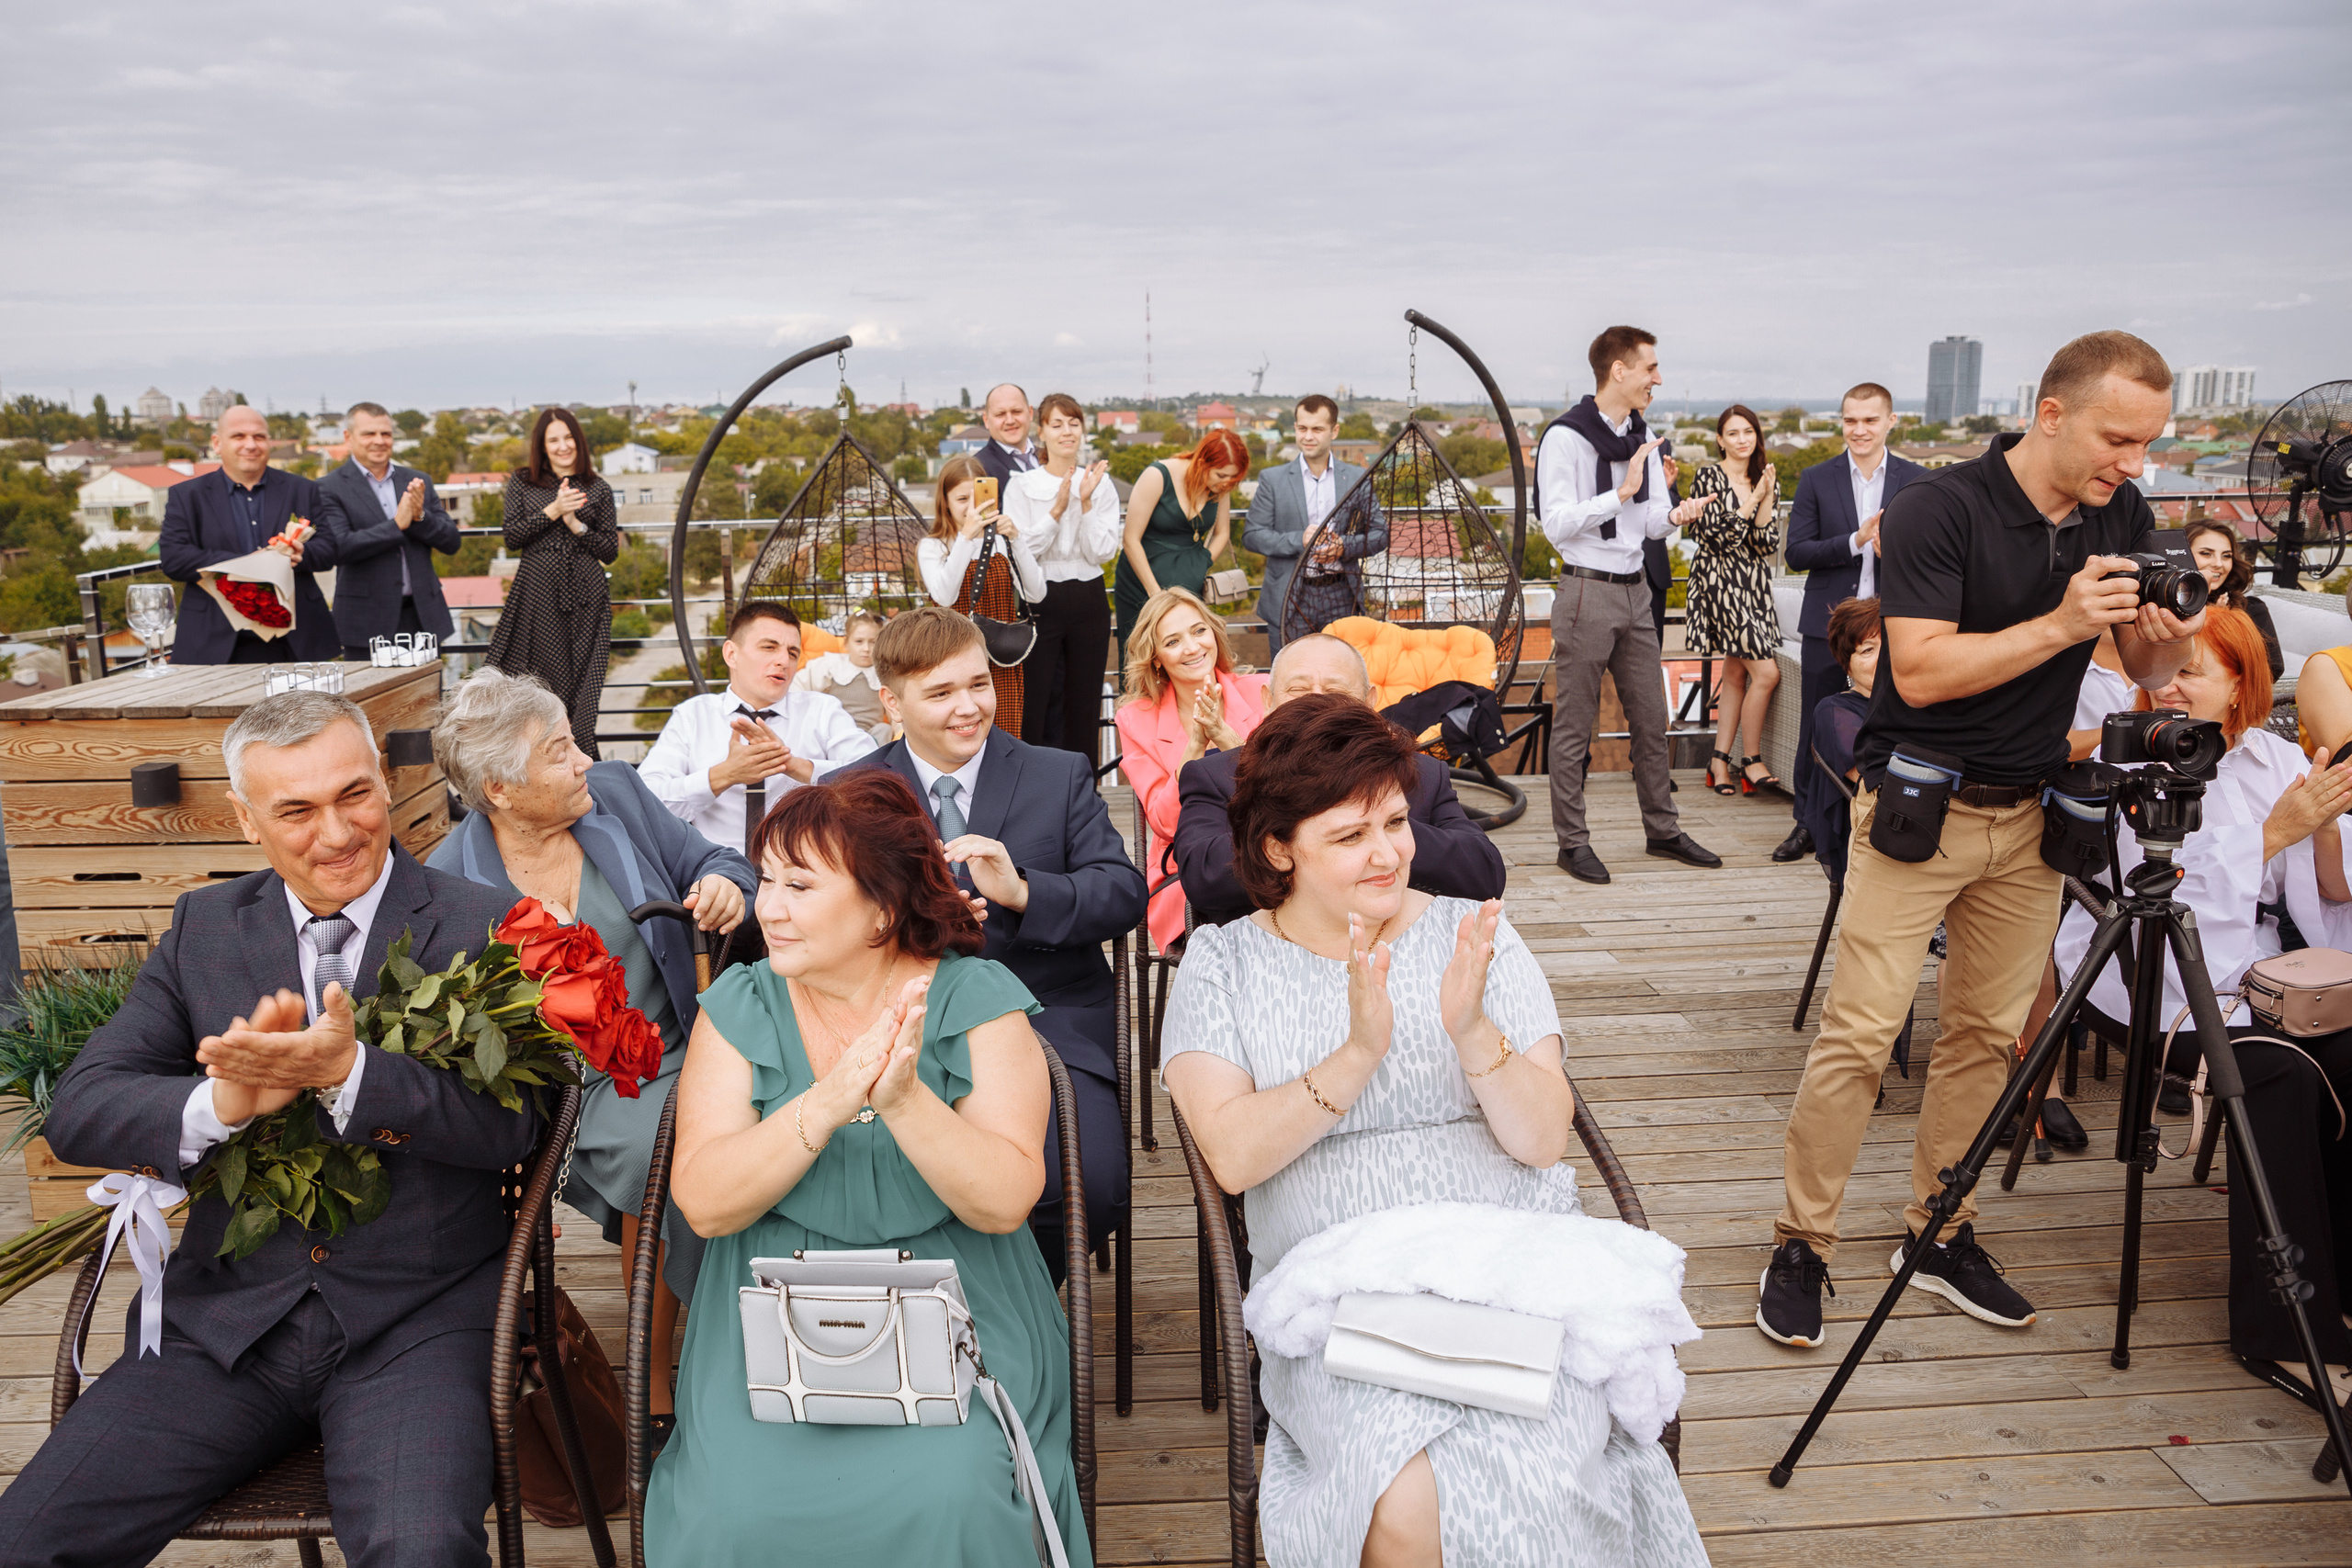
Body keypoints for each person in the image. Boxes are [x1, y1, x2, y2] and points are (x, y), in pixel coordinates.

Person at [1160, 696, 1707, 1568]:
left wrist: (1469, 1029)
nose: (1388, 852)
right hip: (1339, 1293)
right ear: (1277, 847)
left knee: (1542, 1476)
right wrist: (1358, 1054)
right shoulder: (1222, 963)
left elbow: (1540, 1140)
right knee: (1405, 1496)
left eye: (1394, 821)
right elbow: (1230, 1154)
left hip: (1513, 1276)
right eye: (1349, 835)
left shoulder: (1472, 934)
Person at [0, 691, 530, 1566]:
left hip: (420, 1322)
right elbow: (83, 1105)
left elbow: (514, 1129)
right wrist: (222, 1104)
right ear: (247, 820)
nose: (336, 833)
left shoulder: (484, 923)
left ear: (389, 783)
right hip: (225, 1325)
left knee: (420, 1548)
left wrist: (353, 1074)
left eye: (354, 794)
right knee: (27, 1539)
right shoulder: (205, 927)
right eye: (296, 809)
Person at [1758, 331, 2201, 1350]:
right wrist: (2060, 622)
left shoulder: (2120, 510)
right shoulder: (1938, 510)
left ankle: (1938, 1230)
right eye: (2117, 438)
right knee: (1861, 1037)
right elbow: (1917, 672)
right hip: (1920, 810)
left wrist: (2168, 633)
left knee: (1984, 1042)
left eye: (2147, 444)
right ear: (2051, 414)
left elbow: (2136, 651)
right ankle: (1801, 1243)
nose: (2133, 465)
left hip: (2032, 814)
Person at [644, 772, 1092, 1566]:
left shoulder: (976, 1000)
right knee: (734, 1511)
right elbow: (706, 1205)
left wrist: (903, 1099)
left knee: (953, 1493)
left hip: (961, 1300)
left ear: (882, 909)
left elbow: (1004, 1201)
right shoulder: (741, 1006)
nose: (767, 907)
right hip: (768, 1302)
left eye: (799, 885)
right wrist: (830, 1098)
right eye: (767, 880)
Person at [426, 667, 754, 1452]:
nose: (584, 761)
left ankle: (716, 1336)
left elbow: (721, 858)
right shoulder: (446, 883)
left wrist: (720, 883)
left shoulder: (617, 796)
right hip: (566, 1091)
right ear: (500, 788)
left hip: (682, 1039)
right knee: (669, 1147)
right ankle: (666, 1362)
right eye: (559, 750)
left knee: (739, 1117)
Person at [2049, 606, 2352, 1389]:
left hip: (2253, 965)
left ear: (2241, 685)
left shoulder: (2274, 758)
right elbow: (2158, 891)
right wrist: (2274, 833)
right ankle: (2279, 1329)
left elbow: (2325, 902)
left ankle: (2339, 1283)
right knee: (2277, 1074)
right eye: (2166, 671)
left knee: (2346, 1053)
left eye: (2192, 672)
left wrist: (2320, 825)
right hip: (2144, 971)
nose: (2171, 687)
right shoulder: (2135, 759)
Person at [851, 605, 1147, 1276]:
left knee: (1087, 1187)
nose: (968, 707)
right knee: (870, 1186)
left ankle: (1023, 1309)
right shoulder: (851, 793)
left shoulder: (1058, 772)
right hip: (896, 1031)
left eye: (978, 684)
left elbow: (1122, 892)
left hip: (1049, 1021)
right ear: (891, 702)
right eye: (941, 692)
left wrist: (1023, 892)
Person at [1536, 325, 1721, 885]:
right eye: (1650, 368)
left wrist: (1677, 517)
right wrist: (1618, 493)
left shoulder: (1646, 435)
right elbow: (1555, 524)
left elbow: (1650, 522)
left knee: (1651, 720)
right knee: (1575, 726)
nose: (1657, 379)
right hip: (1586, 590)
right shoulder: (1565, 438)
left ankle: (1662, 831)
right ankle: (1573, 844)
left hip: (1637, 589)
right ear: (1619, 370)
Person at [1173, 632, 1506, 928]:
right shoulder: (1216, 774)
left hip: (1401, 956)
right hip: (1273, 960)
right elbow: (1204, 878)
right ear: (1268, 702)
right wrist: (1315, 815)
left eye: (1335, 691)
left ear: (1370, 703)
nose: (1315, 702)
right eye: (1298, 689)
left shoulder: (1421, 773)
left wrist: (1381, 822)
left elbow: (1483, 872)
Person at [1773, 382, 1928, 863]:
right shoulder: (1818, 477)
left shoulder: (1917, 478)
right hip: (1829, 627)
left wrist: (1897, 550)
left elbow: (1934, 555)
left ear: (1890, 422)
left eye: (1869, 420)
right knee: (1815, 728)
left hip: (1896, 627)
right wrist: (1855, 540)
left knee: (1897, 723)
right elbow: (1796, 552)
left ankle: (1883, 819)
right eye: (1850, 420)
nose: (1859, 430)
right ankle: (1806, 824)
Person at [639, 600, 878, 858]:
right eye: (769, 647)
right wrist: (723, 775)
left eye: (793, 652)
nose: (783, 661)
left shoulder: (822, 709)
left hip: (803, 872)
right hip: (713, 871)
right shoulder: (693, 715)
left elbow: (875, 778)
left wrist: (795, 766)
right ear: (731, 654)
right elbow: (646, 803)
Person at [1116, 587, 1268, 953]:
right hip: (1188, 866)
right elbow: (1165, 823)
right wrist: (1196, 747)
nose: (1192, 647)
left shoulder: (1262, 691)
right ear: (1155, 658)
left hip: (1269, 844)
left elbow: (1282, 792)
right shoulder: (1135, 720)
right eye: (1173, 640)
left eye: (1199, 631)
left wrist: (1227, 738)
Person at [158, 403, 344, 664]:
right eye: (238, 436)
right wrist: (250, 564)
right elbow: (174, 559)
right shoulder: (187, 495)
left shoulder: (302, 489)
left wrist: (303, 553)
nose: (251, 444)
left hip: (295, 638)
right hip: (213, 640)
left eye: (259, 437)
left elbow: (329, 551)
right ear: (217, 443)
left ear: (269, 442)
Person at [487, 408, 618, 760]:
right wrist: (554, 510)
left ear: (579, 440)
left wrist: (575, 523)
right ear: (542, 446)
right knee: (551, 698)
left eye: (568, 438)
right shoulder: (523, 481)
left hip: (587, 600)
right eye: (554, 440)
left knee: (585, 705)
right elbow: (513, 536)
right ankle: (553, 776)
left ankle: (591, 787)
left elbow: (609, 550)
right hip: (539, 598)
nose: (563, 446)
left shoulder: (598, 487)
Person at [1007, 392, 1121, 760]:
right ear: (1041, 432)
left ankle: (1083, 792)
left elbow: (1102, 552)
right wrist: (1057, 509)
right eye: (1057, 424)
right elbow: (1022, 550)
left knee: (1085, 699)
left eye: (1074, 424)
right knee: (1038, 699)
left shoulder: (1100, 483)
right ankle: (1037, 789)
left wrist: (1085, 502)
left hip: (1089, 595)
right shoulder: (1021, 485)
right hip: (1040, 597)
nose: (1066, 432)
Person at [1682, 403, 1785, 795]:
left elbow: (1765, 543)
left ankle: (1718, 762)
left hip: (1753, 584)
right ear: (1720, 440)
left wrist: (1766, 498)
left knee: (1736, 673)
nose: (1742, 440)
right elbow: (1719, 538)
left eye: (1749, 432)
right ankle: (1752, 760)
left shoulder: (1764, 479)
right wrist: (1752, 498)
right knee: (1767, 673)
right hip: (1719, 583)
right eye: (1734, 433)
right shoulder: (1709, 476)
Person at [320, 401, 461, 662]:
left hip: (422, 617)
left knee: (427, 700)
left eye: (386, 434)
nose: (379, 441)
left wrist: (419, 516)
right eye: (369, 434)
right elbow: (341, 546)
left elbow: (451, 542)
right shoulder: (328, 487)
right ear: (348, 438)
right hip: (365, 622)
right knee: (368, 703)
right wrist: (397, 524)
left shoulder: (417, 481)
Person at [921, 454, 1046, 741]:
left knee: (1005, 738)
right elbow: (944, 596)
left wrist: (1016, 539)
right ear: (946, 502)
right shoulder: (933, 546)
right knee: (960, 737)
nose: (970, 508)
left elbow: (1037, 593)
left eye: (976, 498)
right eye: (961, 499)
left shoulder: (1001, 540)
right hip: (952, 660)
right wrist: (966, 540)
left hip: (1002, 658)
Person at [1243, 395, 1378, 654]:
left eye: (1317, 429)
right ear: (1294, 428)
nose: (1308, 436)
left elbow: (1380, 535)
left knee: (1341, 680)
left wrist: (1343, 546)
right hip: (1290, 596)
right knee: (1290, 681)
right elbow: (1252, 536)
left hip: (1342, 594)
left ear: (1334, 431)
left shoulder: (1357, 477)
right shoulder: (1272, 479)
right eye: (1302, 428)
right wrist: (1299, 540)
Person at [1114, 428, 1250, 671]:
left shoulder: (1222, 487)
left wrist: (1202, 562)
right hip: (1141, 586)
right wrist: (1156, 596)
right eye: (1221, 475)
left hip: (1189, 589)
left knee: (1188, 659)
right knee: (1141, 661)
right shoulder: (1158, 475)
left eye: (1233, 479)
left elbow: (1223, 533)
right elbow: (1130, 539)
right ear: (1201, 462)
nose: (1226, 483)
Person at [2187, 517, 2283, 681]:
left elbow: (2271, 671)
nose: (2218, 564)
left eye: (2226, 556)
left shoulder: (2251, 610)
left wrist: (2225, 626)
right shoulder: (2161, 608)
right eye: (2206, 553)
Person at [791, 607, 896, 744]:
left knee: (885, 729)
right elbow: (798, 685)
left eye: (873, 642)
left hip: (870, 736)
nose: (866, 649)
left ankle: (872, 761)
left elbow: (896, 709)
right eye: (859, 641)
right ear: (846, 643)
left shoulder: (884, 673)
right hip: (836, 731)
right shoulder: (832, 665)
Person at [974, 381, 1039, 489]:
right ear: (986, 420)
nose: (1010, 421)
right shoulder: (977, 469)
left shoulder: (1052, 458)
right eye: (1000, 414)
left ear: (1030, 413)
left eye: (1016, 411)